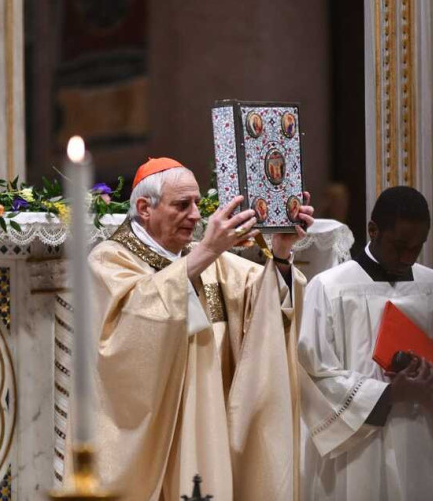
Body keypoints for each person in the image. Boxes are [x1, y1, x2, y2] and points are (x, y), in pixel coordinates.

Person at [85, 157, 315, 501]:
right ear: (145, 208)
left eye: (196, 203)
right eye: (182, 205)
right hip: (153, 441)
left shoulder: (213, 261)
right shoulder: (110, 260)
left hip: (210, 429)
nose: (195, 215)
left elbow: (266, 305)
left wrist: (281, 253)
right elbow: (125, 338)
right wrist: (207, 250)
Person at [298, 186, 433, 500]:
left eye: (417, 247)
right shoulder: (329, 288)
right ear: (373, 230)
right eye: (399, 246)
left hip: (425, 446)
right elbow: (314, 376)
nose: (408, 257)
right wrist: (387, 394)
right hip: (358, 452)